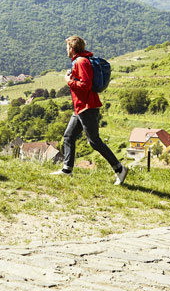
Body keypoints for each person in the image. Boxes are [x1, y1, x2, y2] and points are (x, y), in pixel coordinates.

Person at [52, 36, 128, 185]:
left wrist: (69, 81)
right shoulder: (81, 61)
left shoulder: (81, 62)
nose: (66, 50)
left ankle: (119, 169)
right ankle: (67, 170)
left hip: (87, 107)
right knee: (68, 136)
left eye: (67, 47)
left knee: (94, 142)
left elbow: (85, 85)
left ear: (72, 49)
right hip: (81, 107)